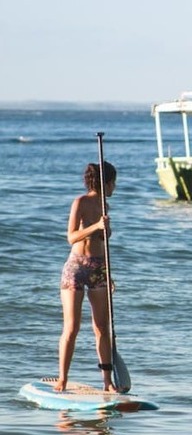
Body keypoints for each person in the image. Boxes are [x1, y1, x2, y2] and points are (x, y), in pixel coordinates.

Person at [55, 162, 117, 392]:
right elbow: (71, 237)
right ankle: (62, 378)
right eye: (113, 182)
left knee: (102, 327)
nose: (115, 187)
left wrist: (108, 273)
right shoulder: (80, 202)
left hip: (99, 268)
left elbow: (102, 244)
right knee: (72, 327)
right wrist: (95, 226)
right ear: (105, 182)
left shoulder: (105, 206)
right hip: (76, 268)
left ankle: (107, 382)